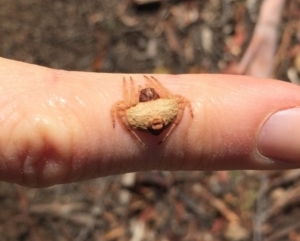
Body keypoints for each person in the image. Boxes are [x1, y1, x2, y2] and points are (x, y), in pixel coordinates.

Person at [0, 57, 299, 187]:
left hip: (149, 117)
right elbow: (126, 109)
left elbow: (125, 108)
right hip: (147, 116)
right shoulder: (147, 103)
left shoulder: (147, 103)